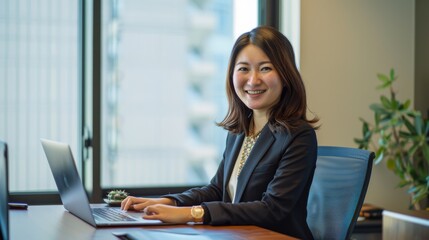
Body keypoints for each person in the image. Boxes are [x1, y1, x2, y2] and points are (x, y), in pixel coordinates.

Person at [121, 26, 319, 239]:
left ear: (285, 74)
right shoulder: (240, 131)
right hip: (237, 235)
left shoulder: (299, 135)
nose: (253, 80)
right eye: (243, 68)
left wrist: (192, 213)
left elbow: (272, 208)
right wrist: (167, 201)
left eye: (265, 68)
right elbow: (217, 189)